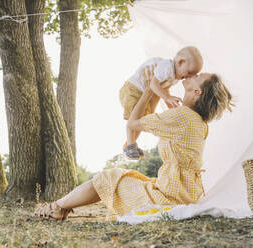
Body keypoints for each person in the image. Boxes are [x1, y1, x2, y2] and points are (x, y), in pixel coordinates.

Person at [33, 73, 233, 221]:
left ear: (197, 92)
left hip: (167, 198)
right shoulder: (197, 121)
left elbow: (133, 123)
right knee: (125, 176)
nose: (194, 74)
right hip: (183, 192)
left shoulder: (182, 115)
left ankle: (56, 208)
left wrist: (147, 91)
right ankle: (61, 207)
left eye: (199, 76)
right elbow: (159, 121)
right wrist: (161, 94)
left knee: (109, 176)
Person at [120, 46, 203, 160]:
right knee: (134, 117)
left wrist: (168, 101)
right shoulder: (167, 67)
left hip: (144, 93)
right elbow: (154, 84)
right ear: (180, 62)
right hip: (133, 89)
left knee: (142, 121)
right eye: (189, 72)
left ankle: (130, 144)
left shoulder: (175, 76)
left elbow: (164, 87)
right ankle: (130, 145)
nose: (188, 77)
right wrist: (167, 97)